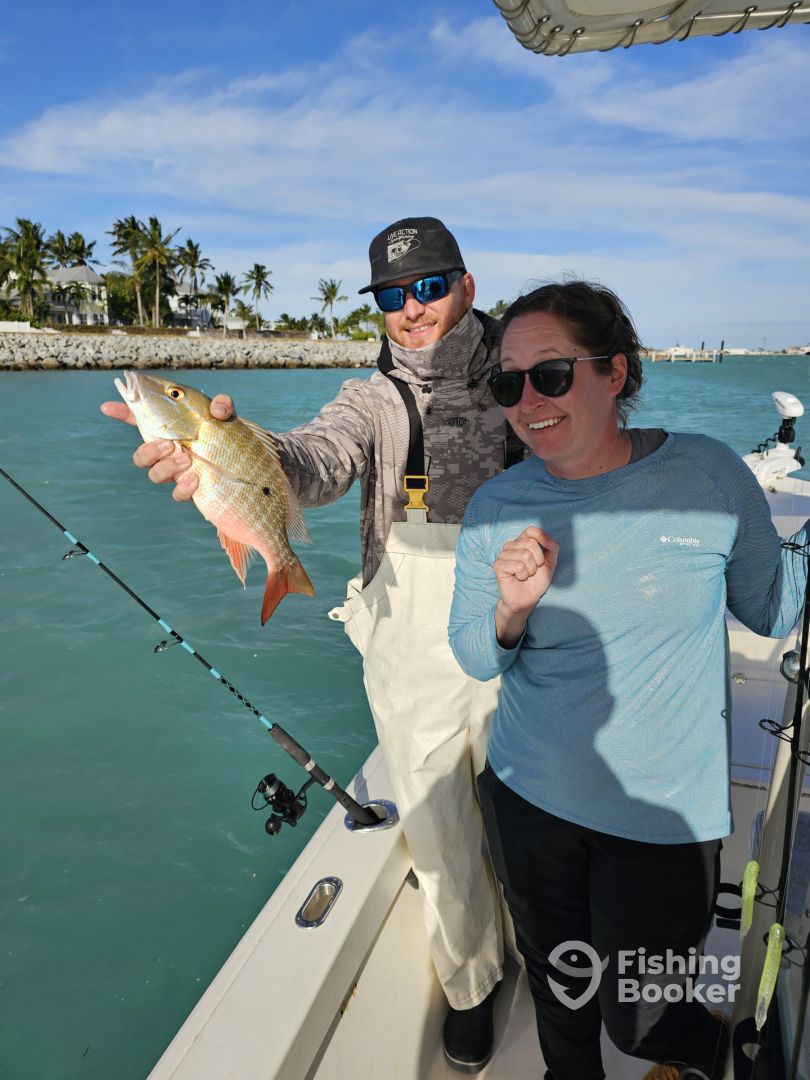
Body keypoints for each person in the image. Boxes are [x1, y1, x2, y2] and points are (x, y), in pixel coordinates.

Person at [102, 217, 524, 1073]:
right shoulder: (370, 398)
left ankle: (556, 959)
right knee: (440, 830)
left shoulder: (527, 371)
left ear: (466, 286)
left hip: (529, 622)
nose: (411, 310)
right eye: (392, 296)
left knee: (537, 819)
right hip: (414, 644)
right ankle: (473, 981)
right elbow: (314, 460)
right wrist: (237, 452)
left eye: (428, 288)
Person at [447, 280, 809, 1080]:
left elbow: (774, 609)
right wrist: (510, 610)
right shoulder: (498, 503)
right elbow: (475, 654)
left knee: (641, 1014)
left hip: (661, 816)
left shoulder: (707, 475)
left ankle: (697, 1050)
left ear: (616, 372)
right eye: (509, 384)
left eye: (551, 375)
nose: (528, 402)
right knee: (558, 990)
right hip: (528, 797)